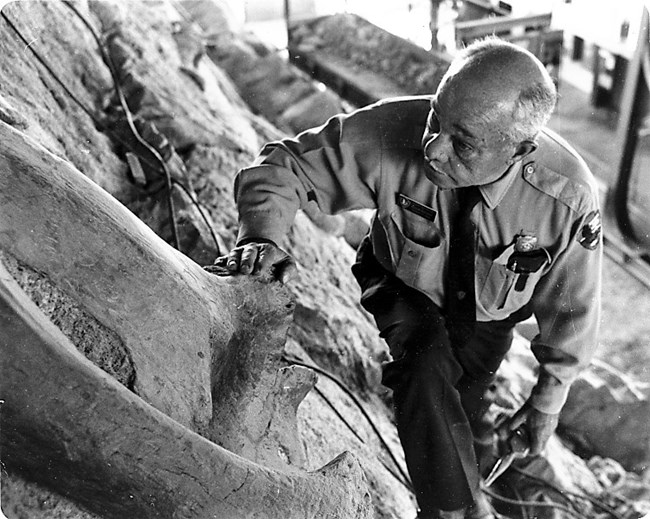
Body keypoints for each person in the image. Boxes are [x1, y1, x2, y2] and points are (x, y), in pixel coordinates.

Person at [211, 37, 602, 518]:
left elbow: (574, 311)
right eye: (437, 117)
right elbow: (285, 166)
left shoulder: (565, 199)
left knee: (464, 405)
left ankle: (466, 488)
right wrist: (262, 237)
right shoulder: (393, 129)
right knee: (424, 363)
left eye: (463, 143)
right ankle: (451, 512)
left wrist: (547, 401)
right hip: (399, 279)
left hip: (487, 317)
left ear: (520, 149)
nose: (434, 148)